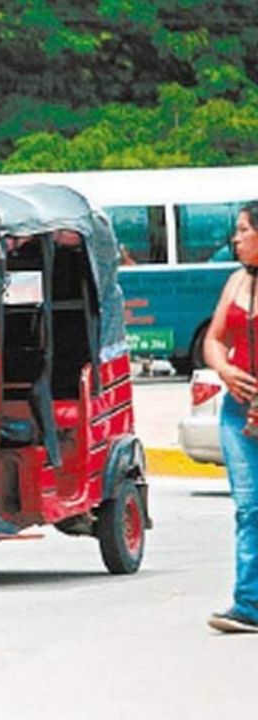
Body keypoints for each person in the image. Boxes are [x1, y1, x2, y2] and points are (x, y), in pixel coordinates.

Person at [203, 200, 258, 633]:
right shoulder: (236, 281)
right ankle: (248, 603)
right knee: (248, 507)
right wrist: (223, 369)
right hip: (238, 411)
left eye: (243, 230)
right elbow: (214, 339)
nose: (235, 239)